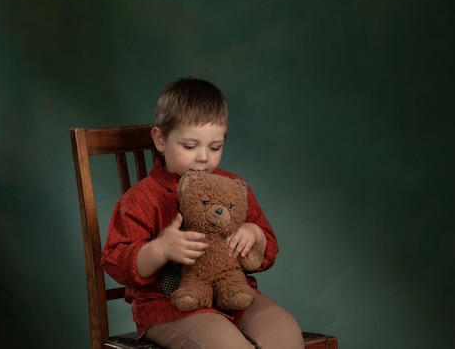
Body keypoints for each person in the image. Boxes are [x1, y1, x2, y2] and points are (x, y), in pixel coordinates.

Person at [101, 78, 304, 349]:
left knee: (286, 332)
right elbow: (116, 260)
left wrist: (253, 234)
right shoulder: (140, 200)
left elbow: (268, 249)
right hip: (170, 307)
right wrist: (161, 249)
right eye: (190, 146)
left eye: (214, 147)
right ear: (160, 139)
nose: (203, 158)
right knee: (227, 346)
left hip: (232, 295)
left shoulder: (233, 188)